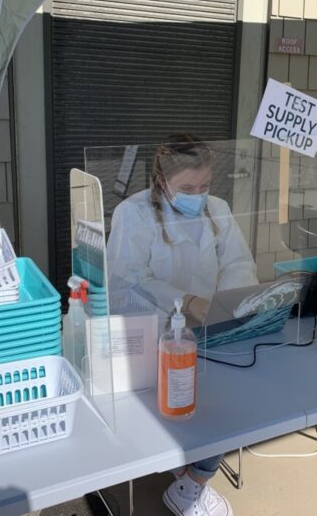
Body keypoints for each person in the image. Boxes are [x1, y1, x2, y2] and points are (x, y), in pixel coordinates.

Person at [107, 133, 257, 516]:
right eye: (187, 188)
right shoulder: (133, 214)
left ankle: (193, 478)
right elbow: (126, 283)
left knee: (227, 396)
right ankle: (188, 474)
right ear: (162, 181)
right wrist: (187, 303)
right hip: (156, 332)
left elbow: (238, 264)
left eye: (205, 185)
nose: (199, 195)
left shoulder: (218, 209)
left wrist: (228, 305)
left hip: (210, 330)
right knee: (175, 403)